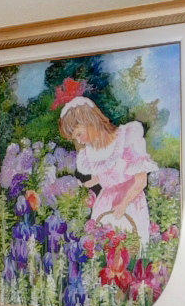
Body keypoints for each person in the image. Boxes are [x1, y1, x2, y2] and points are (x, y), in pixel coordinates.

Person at [58, 80, 157, 242]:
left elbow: (141, 180)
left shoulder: (126, 138)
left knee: (129, 246)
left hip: (129, 202)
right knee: (101, 248)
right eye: (75, 138)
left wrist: (124, 203)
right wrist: (81, 188)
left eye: (79, 134)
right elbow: (104, 176)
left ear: (89, 122)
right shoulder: (91, 153)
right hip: (104, 204)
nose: (80, 141)